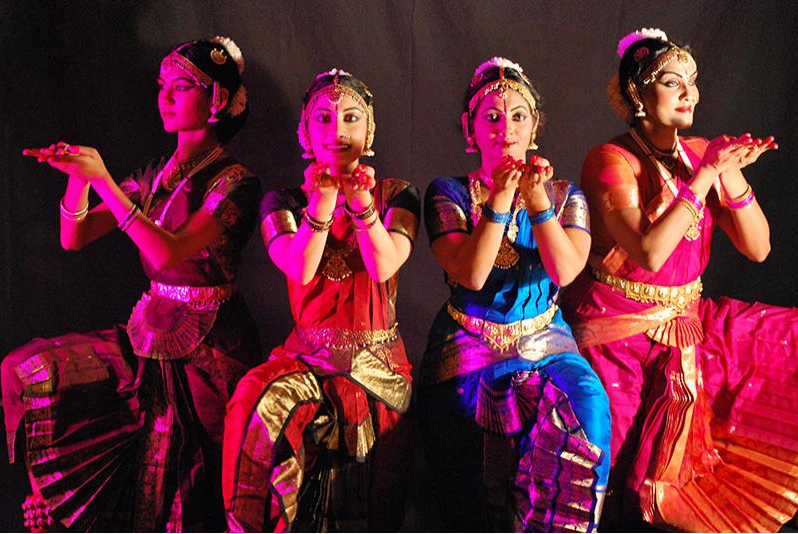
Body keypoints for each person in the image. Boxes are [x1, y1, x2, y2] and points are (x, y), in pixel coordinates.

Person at [2, 37, 262, 531]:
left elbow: (167, 250)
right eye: (163, 86)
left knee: (179, 482)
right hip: (150, 332)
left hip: (208, 352)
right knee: (28, 369)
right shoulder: (155, 174)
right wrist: (79, 179)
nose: (165, 97)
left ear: (219, 100)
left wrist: (102, 179)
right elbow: (74, 235)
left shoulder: (236, 182)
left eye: (182, 86)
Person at [561, 28, 798, 532]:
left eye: (692, 81)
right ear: (636, 95)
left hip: (688, 327)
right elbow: (648, 252)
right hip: (618, 343)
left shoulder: (697, 152)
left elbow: (759, 249)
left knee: (786, 344)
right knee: (623, 487)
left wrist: (730, 175)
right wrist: (707, 174)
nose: (690, 92)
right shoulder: (610, 162)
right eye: (673, 82)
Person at [222, 68, 419, 532]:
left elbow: (383, 265)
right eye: (324, 120)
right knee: (257, 401)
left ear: (368, 132)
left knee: (371, 507)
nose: (338, 131)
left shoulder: (395, 194)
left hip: (380, 369)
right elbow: (300, 267)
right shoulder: (283, 202)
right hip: (307, 361)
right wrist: (323, 203)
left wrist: (363, 206)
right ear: (305, 134)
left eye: (351, 118)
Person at [418, 57, 611, 533]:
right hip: (465, 347)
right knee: (461, 461)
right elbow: (474, 276)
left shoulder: (566, 195)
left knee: (587, 412)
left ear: (535, 127)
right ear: (470, 128)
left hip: (545, 342)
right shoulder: (448, 193)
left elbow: (565, 271)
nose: (506, 127)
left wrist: (537, 197)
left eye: (518, 115)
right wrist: (501, 199)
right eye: (492, 116)